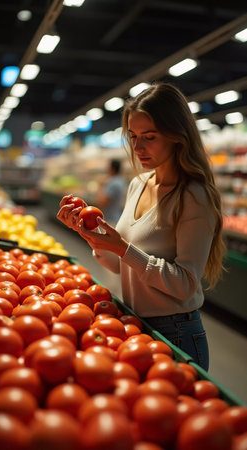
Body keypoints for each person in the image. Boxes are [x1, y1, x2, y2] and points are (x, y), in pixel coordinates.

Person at [57, 82, 226, 371]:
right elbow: (120, 265)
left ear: (177, 136)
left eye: (149, 136)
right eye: (133, 136)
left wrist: (123, 248)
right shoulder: (138, 184)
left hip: (176, 333)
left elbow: (186, 285)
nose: (137, 147)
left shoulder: (193, 196)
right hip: (136, 324)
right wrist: (91, 236)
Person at [95, 159, 127, 225]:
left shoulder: (113, 183)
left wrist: (100, 186)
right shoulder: (121, 180)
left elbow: (102, 203)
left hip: (110, 220)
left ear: (111, 168)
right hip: (117, 217)